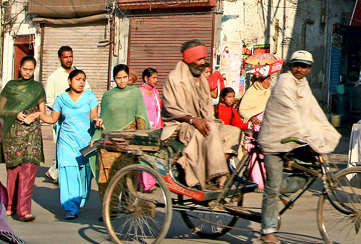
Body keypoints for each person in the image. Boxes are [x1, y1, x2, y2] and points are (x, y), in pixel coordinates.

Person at [256, 50, 340, 244]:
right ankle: (268, 231)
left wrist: (325, 130)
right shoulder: (285, 82)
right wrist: (307, 134)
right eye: (296, 65)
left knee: (312, 168)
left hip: (293, 138)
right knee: (272, 185)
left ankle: (283, 190)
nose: (299, 69)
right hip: (274, 140)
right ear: (290, 66)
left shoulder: (303, 84)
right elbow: (291, 112)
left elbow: (312, 111)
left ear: (309, 69)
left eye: (304, 66)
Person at [161, 40, 241, 191]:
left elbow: (206, 108)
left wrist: (205, 120)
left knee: (234, 132)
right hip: (179, 125)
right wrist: (193, 120)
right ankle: (210, 178)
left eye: (204, 59)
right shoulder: (174, 78)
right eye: (199, 60)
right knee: (208, 131)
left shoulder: (201, 79)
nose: (203, 63)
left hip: (204, 122)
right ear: (189, 60)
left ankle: (220, 173)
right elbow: (171, 109)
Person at [36, 69, 102, 219]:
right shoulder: (61, 99)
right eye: (78, 79)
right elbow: (53, 119)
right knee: (68, 172)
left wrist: (97, 121)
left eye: (83, 79)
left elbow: (93, 115)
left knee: (85, 173)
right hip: (66, 141)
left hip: (85, 141)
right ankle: (70, 208)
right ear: (69, 81)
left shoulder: (89, 97)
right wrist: (39, 115)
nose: (81, 82)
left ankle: (81, 199)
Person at [0, 55, 46, 222]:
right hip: (13, 133)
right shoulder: (10, 86)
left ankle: (24, 211)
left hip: (32, 133)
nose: (28, 72)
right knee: (14, 170)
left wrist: (35, 115)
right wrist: (15, 113)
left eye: (31, 69)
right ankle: (10, 205)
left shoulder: (37, 88)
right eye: (25, 69)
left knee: (29, 168)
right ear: (19, 68)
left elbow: (43, 112)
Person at [95, 64, 148, 199]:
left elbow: (140, 116)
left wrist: (141, 139)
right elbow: (104, 116)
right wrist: (96, 135)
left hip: (129, 141)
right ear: (114, 79)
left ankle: (127, 206)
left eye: (125, 77)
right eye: (119, 78)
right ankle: (109, 210)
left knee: (129, 176)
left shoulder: (135, 93)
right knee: (106, 177)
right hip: (110, 141)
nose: (122, 80)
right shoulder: (108, 95)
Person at [43, 46, 91, 183]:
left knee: (79, 149)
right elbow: (50, 100)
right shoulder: (54, 78)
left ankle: (57, 173)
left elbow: (88, 94)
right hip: (62, 121)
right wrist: (62, 110)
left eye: (70, 56)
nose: (68, 59)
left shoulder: (79, 75)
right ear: (59, 58)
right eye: (65, 57)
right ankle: (61, 176)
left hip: (80, 122)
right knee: (63, 150)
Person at [240, 75, 273, 189]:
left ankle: (251, 175)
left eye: (270, 79)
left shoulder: (269, 92)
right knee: (256, 154)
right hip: (255, 128)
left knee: (266, 154)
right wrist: (251, 117)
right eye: (267, 79)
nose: (269, 82)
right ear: (260, 81)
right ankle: (258, 182)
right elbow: (243, 109)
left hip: (267, 126)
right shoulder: (251, 92)